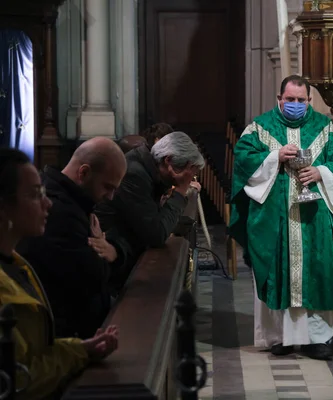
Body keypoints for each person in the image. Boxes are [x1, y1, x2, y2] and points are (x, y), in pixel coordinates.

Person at [229, 75, 333, 360]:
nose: (296, 105)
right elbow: (243, 159)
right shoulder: (260, 128)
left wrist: (320, 172)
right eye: (290, 100)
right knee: (277, 269)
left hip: (314, 217)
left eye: (302, 100)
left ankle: (318, 338)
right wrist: (275, 156)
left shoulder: (325, 128)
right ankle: (280, 337)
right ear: (279, 99)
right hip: (274, 217)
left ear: (309, 101)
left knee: (318, 269)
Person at [0, 148, 119, 399]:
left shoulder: (17, 265)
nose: (48, 203)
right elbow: (17, 380)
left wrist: (81, 350)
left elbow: (37, 350)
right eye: (35, 195)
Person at [17, 137, 127, 339]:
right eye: (108, 187)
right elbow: (92, 277)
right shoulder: (59, 211)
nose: (110, 197)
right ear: (84, 173)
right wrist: (105, 252)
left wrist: (109, 249)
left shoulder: (75, 203)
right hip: (69, 335)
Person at [95, 131, 204, 289]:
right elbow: (156, 234)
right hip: (114, 269)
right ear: (168, 161)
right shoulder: (134, 174)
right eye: (187, 175)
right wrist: (180, 189)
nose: (189, 180)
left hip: (125, 254)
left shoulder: (146, 166)